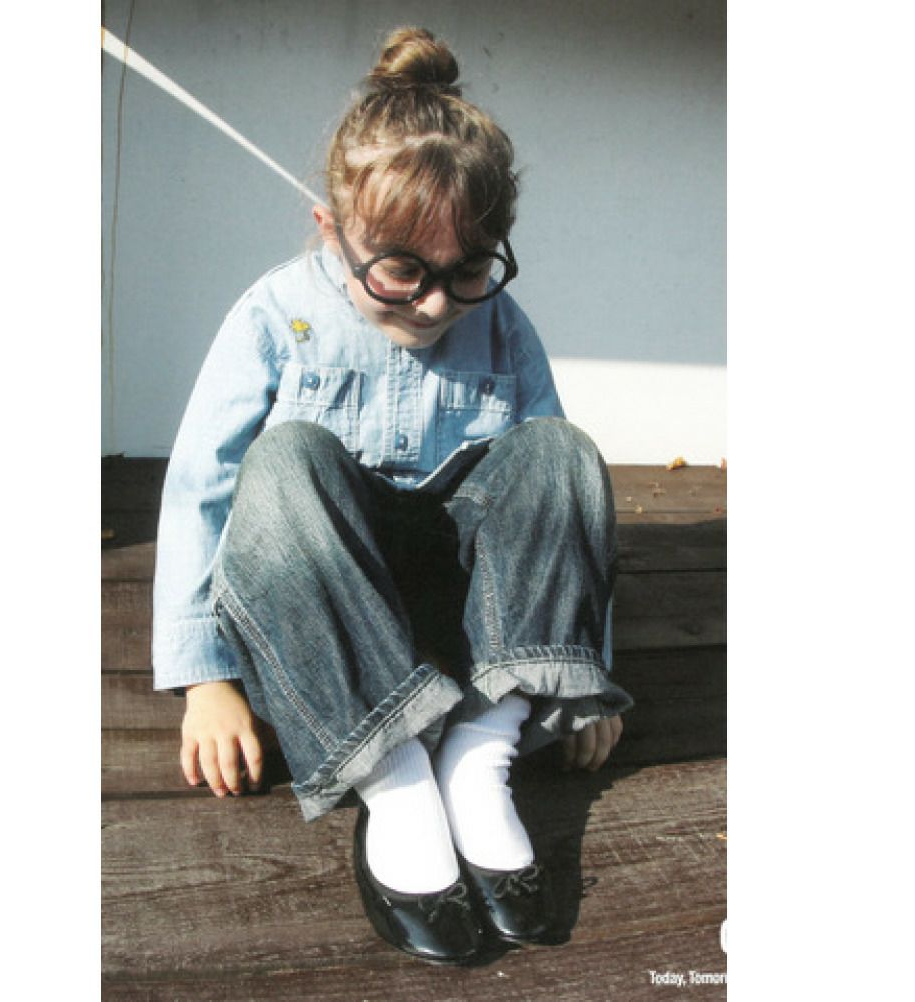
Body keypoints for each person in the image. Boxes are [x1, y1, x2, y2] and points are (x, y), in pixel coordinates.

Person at [152, 25, 633, 965]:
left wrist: (581, 673)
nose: (436, 303)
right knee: (284, 461)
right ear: (331, 229)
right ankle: (398, 775)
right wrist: (206, 680)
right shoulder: (275, 316)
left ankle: (478, 755)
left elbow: (558, 510)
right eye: (402, 270)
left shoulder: (504, 329)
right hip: (328, 623)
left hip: (463, 628)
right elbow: (200, 489)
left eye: (468, 271)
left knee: (562, 450)